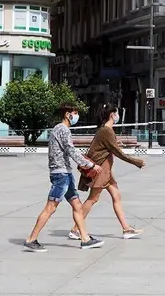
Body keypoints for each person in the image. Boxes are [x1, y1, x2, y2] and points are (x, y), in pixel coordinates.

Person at [24, 104, 104, 252]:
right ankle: (31, 239)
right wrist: (90, 165)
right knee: (50, 207)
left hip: (65, 173)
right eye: (75, 113)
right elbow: (71, 150)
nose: (76, 116)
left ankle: (85, 239)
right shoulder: (63, 129)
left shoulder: (57, 129)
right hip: (61, 175)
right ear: (67, 114)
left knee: (77, 205)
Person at [70, 105, 146, 240]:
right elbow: (118, 153)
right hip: (101, 170)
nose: (117, 116)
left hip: (106, 170)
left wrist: (116, 144)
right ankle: (75, 229)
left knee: (116, 196)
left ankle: (126, 229)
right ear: (112, 115)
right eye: (116, 113)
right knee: (93, 199)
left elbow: (109, 147)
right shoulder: (106, 130)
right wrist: (136, 162)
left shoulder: (106, 130)